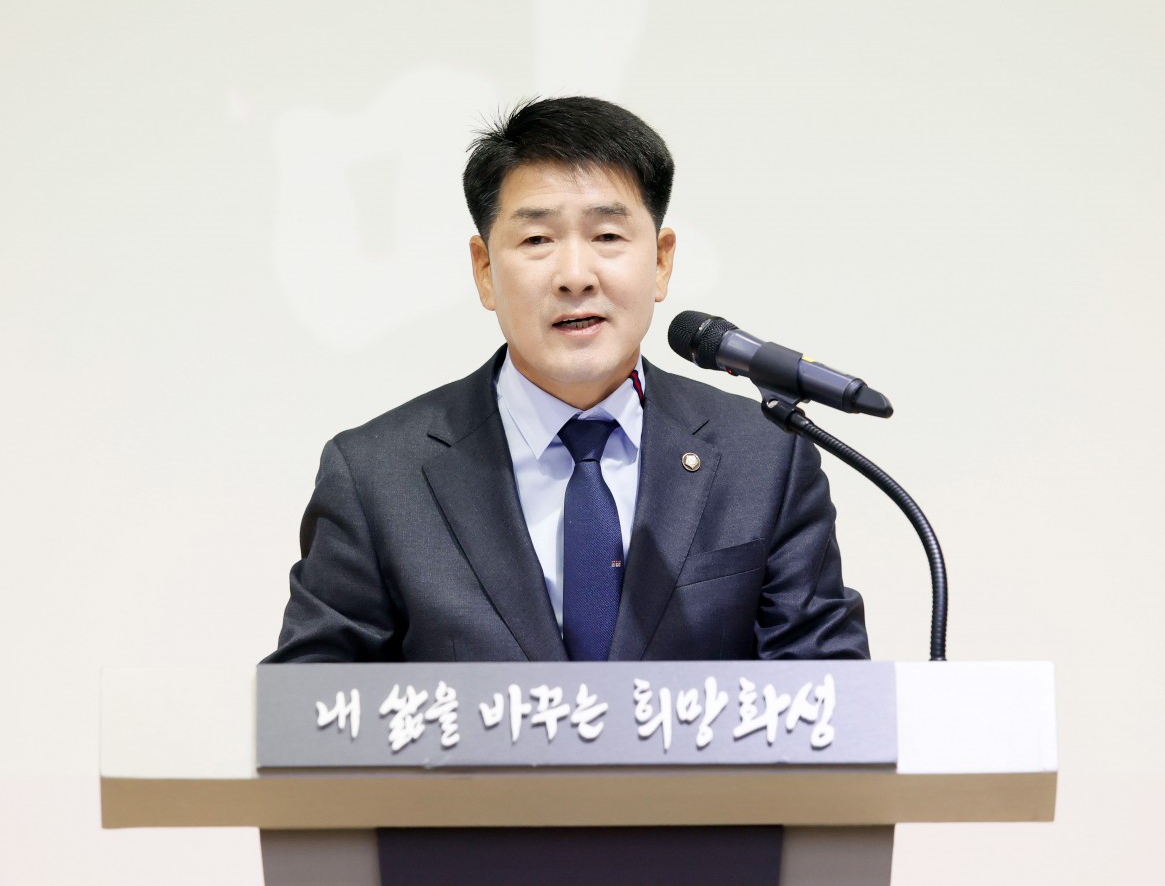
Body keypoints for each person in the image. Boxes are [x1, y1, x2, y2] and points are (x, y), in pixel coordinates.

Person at [266, 97, 868, 663]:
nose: (575, 275)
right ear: (484, 269)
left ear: (661, 261)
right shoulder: (376, 475)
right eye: (537, 239)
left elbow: (830, 693)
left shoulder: (765, 456)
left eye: (607, 236)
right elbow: (311, 705)